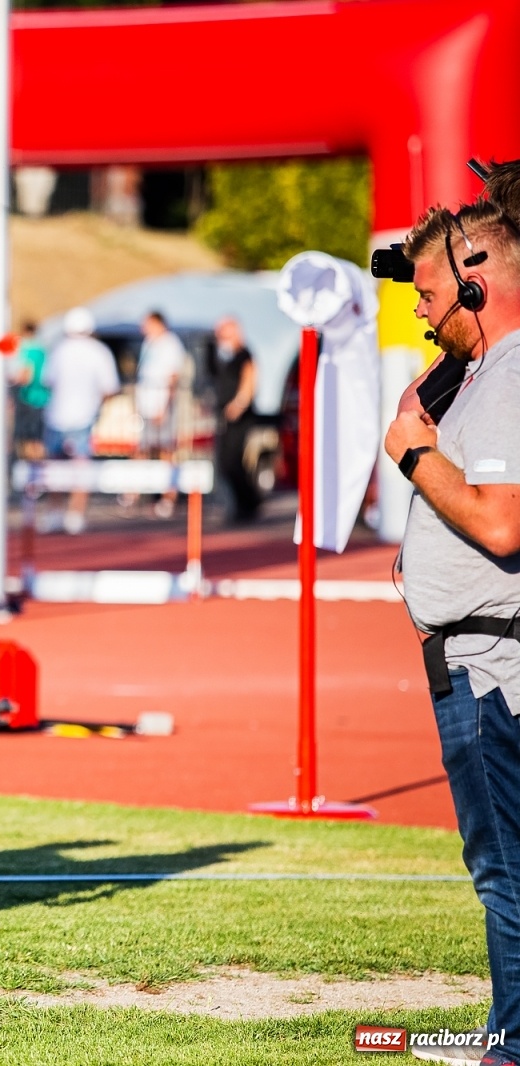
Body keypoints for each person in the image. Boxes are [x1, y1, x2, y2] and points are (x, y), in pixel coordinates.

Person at [385, 199, 520, 1066]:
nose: (420, 309)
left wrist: (413, 454)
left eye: (431, 291)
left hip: (492, 668)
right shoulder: (484, 372)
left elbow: (503, 522)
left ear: (476, 283)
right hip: (475, 661)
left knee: (505, 869)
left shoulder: (510, 374)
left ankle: (510, 1045)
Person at [39, 307, 119, 534]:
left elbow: (48, 381)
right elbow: (109, 387)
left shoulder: (59, 350)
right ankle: (75, 514)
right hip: (84, 417)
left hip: (56, 416)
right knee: (80, 469)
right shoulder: (98, 351)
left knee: (55, 469)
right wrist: (96, 404)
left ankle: (54, 513)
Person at [136, 310, 188, 517]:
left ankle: (169, 497)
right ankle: (138, 492)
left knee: (166, 449)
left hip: (161, 405)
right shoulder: (148, 343)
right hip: (146, 405)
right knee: (143, 448)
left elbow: (173, 376)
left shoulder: (170, 344)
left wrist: (164, 406)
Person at [211, 316, 260, 522]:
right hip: (225, 414)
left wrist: (239, 403)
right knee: (224, 461)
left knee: (233, 460)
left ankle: (250, 502)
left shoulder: (244, 354)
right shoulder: (221, 355)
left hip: (240, 416)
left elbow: (250, 380)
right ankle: (240, 504)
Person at [10, 319, 49, 459]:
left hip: (28, 398)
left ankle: (30, 474)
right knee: (39, 438)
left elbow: (26, 375)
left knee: (27, 439)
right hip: (43, 398)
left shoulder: (28, 350)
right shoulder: (43, 350)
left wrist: (11, 382)